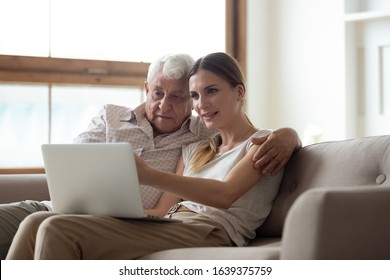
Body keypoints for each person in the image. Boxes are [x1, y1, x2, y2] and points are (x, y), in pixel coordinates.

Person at [7, 52, 294, 259]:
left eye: (211, 91)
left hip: (213, 230)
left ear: (239, 92)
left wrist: (289, 134)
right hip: (172, 222)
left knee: (58, 229)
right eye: (195, 96)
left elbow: (225, 195)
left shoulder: (263, 144)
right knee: (35, 223)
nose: (201, 104)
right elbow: (166, 208)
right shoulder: (198, 147)